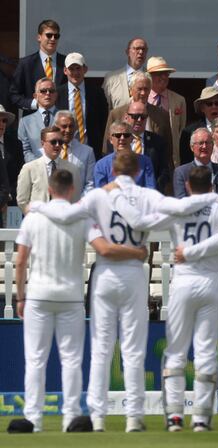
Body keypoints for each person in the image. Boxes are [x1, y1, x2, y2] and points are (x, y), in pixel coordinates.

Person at [15, 169, 145, 433]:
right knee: (71, 360)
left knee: (35, 359)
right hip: (71, 298)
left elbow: (20, 261)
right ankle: (71, 416)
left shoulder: (33, 218)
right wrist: (137, 251)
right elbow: (105, 249)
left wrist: (20, 297)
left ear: (50, 189)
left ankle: (34, 418)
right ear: (72, 190)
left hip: (39, 295)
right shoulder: (82, 219)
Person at [114, 166, 218, 432]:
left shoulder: (177, 208)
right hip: (211, 284)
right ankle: (202, 418)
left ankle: (175, 417)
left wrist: (118, 199)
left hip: (183, 283)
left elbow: (140, 223)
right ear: (212, 186)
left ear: (188, 185)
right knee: (206, 351)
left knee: (176, 351)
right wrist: (200, 250)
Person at [105, 71, 174, 165]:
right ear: (131, 90)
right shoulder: (116, 114)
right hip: (121, 169)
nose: (143, 93)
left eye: (146, 89)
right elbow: (107, 146)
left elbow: (168, 151)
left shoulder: (162, 115)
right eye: (139, 89)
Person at [16, 126, 80, 213]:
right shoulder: (29, 168)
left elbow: (75, 199)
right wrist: (34, 217)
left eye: (60, 142)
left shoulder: (72, 169)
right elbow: (22, 200)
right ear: (42, 143)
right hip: (38, 221)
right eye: (53, 142)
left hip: (63, 221)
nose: (57, 145)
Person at [56, 52, 108, 156]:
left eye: (78, 68)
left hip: (91, 150)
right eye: (71, 69)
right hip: (63, 150)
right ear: (65, 71)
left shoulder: (97, 92)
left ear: (85, 69)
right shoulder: (57, 94)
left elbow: (104, 122)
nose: (75, 73)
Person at [10, 19, 66, 113]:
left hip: (60, 121)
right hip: (34, 120)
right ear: (39, 37)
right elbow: (14, 95)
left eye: (56, 36)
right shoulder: (26, 64)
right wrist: (35, 104)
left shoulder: (66, 62)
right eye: (49, 35)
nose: (53, 39)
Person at [174, 128, 218, 208]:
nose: (204, 146)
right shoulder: (181, 172)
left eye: (208, 143)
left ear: (212, 146)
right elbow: (181, 201)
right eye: (201, 143)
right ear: (192, 147)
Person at [122, 101, 171, 193]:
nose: (139, 120)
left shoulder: (158, 142)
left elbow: (164, 172)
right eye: (135, 116)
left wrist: (154, 192)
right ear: (126, 117)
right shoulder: (119, 140)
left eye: (143, 117)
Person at [146, 56, 186, 167]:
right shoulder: (141, 99)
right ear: (149, 76)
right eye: (159, 74)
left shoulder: (179, 100)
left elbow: (181, 129)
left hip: (171, 160)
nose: (164, 77)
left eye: (166, 74)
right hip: (147, 156)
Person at [94, 120, 156, 189]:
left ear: (132, 138)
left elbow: (151, 188)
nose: (122, 138)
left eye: (126, 135)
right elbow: (101, 193)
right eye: (118, 135)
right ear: (111, 139)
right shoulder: (101, 165)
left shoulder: (145, 162)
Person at [181, 87, 218, 165]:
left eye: (217, 103)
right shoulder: (188, 132)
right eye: (209, 104)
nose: (214, 106)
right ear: (202, 108)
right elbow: (185, 162)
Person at [18, 78, 59, 163]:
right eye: (43, 91)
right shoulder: (25, 122)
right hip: (36, 170)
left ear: (56, 95)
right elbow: (25, 150)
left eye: (51, 91)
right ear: (35, 96)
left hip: (60, 169)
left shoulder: (64, 118)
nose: (47, 94)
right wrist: (42, 164)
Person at [54, 110, 95, 195]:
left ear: (76, 128)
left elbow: (90, 183)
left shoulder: (87, 152)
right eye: (64, 126)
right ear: (56, 127)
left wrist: (80, 203)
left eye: (71, 126)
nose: (68, 130)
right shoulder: (47, 151)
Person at [102, 37, 148, 109]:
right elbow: (105, 108)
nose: (141, 52)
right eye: (137, 48)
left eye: (143, 49)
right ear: (128, 52)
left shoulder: (151, 78)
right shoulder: (111, 79)